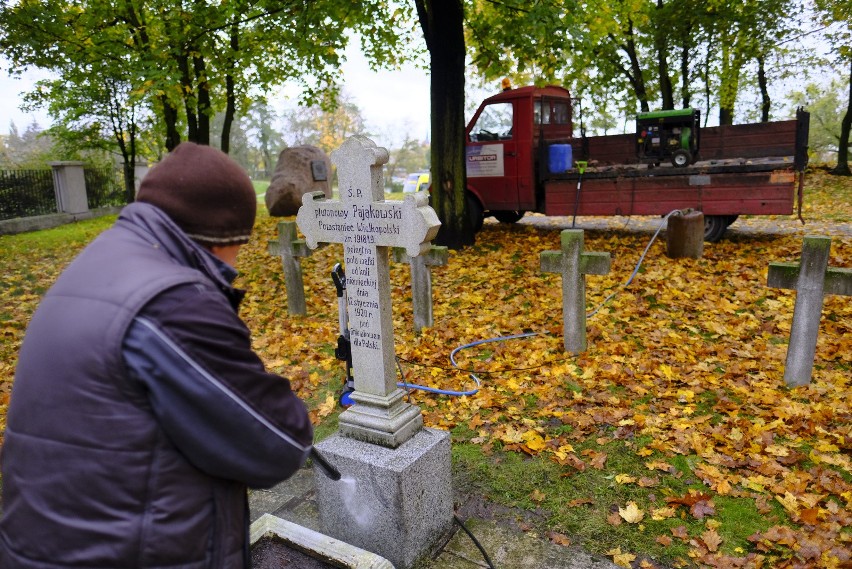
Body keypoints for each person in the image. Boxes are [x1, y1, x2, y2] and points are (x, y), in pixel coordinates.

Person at [0, 142, 314, 567]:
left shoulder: (101, 261)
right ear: (220, 236)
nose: (236, 265)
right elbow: (277, 442)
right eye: (238, 248)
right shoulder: (174, 303)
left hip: (52, 541)